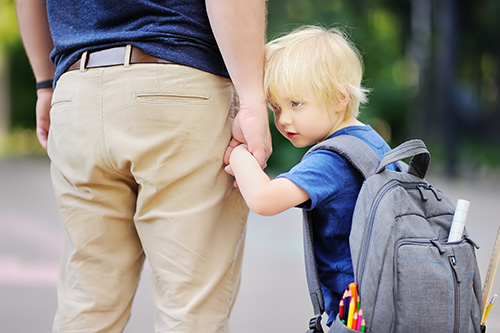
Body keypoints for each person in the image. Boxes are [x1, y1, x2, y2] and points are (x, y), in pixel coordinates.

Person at [15, 0, 272, 331]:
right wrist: (252, 101)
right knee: (190, 310)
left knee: (87, 304)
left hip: (77, 92)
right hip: (179, 86)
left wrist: (45, 84)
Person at [225, 25, 397, 327]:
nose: (284, 119)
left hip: (357, 312)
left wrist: (239, 156)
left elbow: (264, 200)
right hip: (388, 299)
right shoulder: (374, 144)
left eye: (296, 104)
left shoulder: (332, 160)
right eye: (276, 107)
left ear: (339, 97)